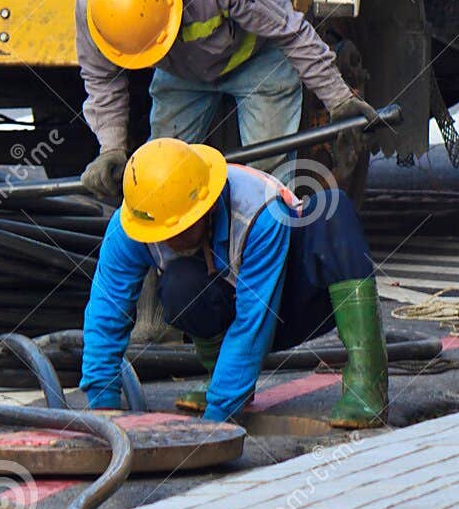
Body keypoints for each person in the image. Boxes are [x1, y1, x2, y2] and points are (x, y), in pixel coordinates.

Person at [80, 136, 389, 428]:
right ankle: (221, 376)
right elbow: (106, 313)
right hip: (233, 305)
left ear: (207, 206)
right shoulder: (135, 222)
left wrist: (217, 419)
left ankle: (367, 381)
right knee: (179, 285)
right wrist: (103, 409)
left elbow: (253, 321)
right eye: (163, 235)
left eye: (182, 231)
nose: (170, 242)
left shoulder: (260, 210)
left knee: (333, 210)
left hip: (295, 303)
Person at [75, 0, 384, 201]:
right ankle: (175, 259)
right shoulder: (96, 4)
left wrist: (340, 100)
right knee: (163, 177)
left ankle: (264, 253)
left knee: (267, 181)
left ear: (171, 10)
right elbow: (102, 81)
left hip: (259, 59)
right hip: (183, 72)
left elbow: (291, 34)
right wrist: (111, 148)